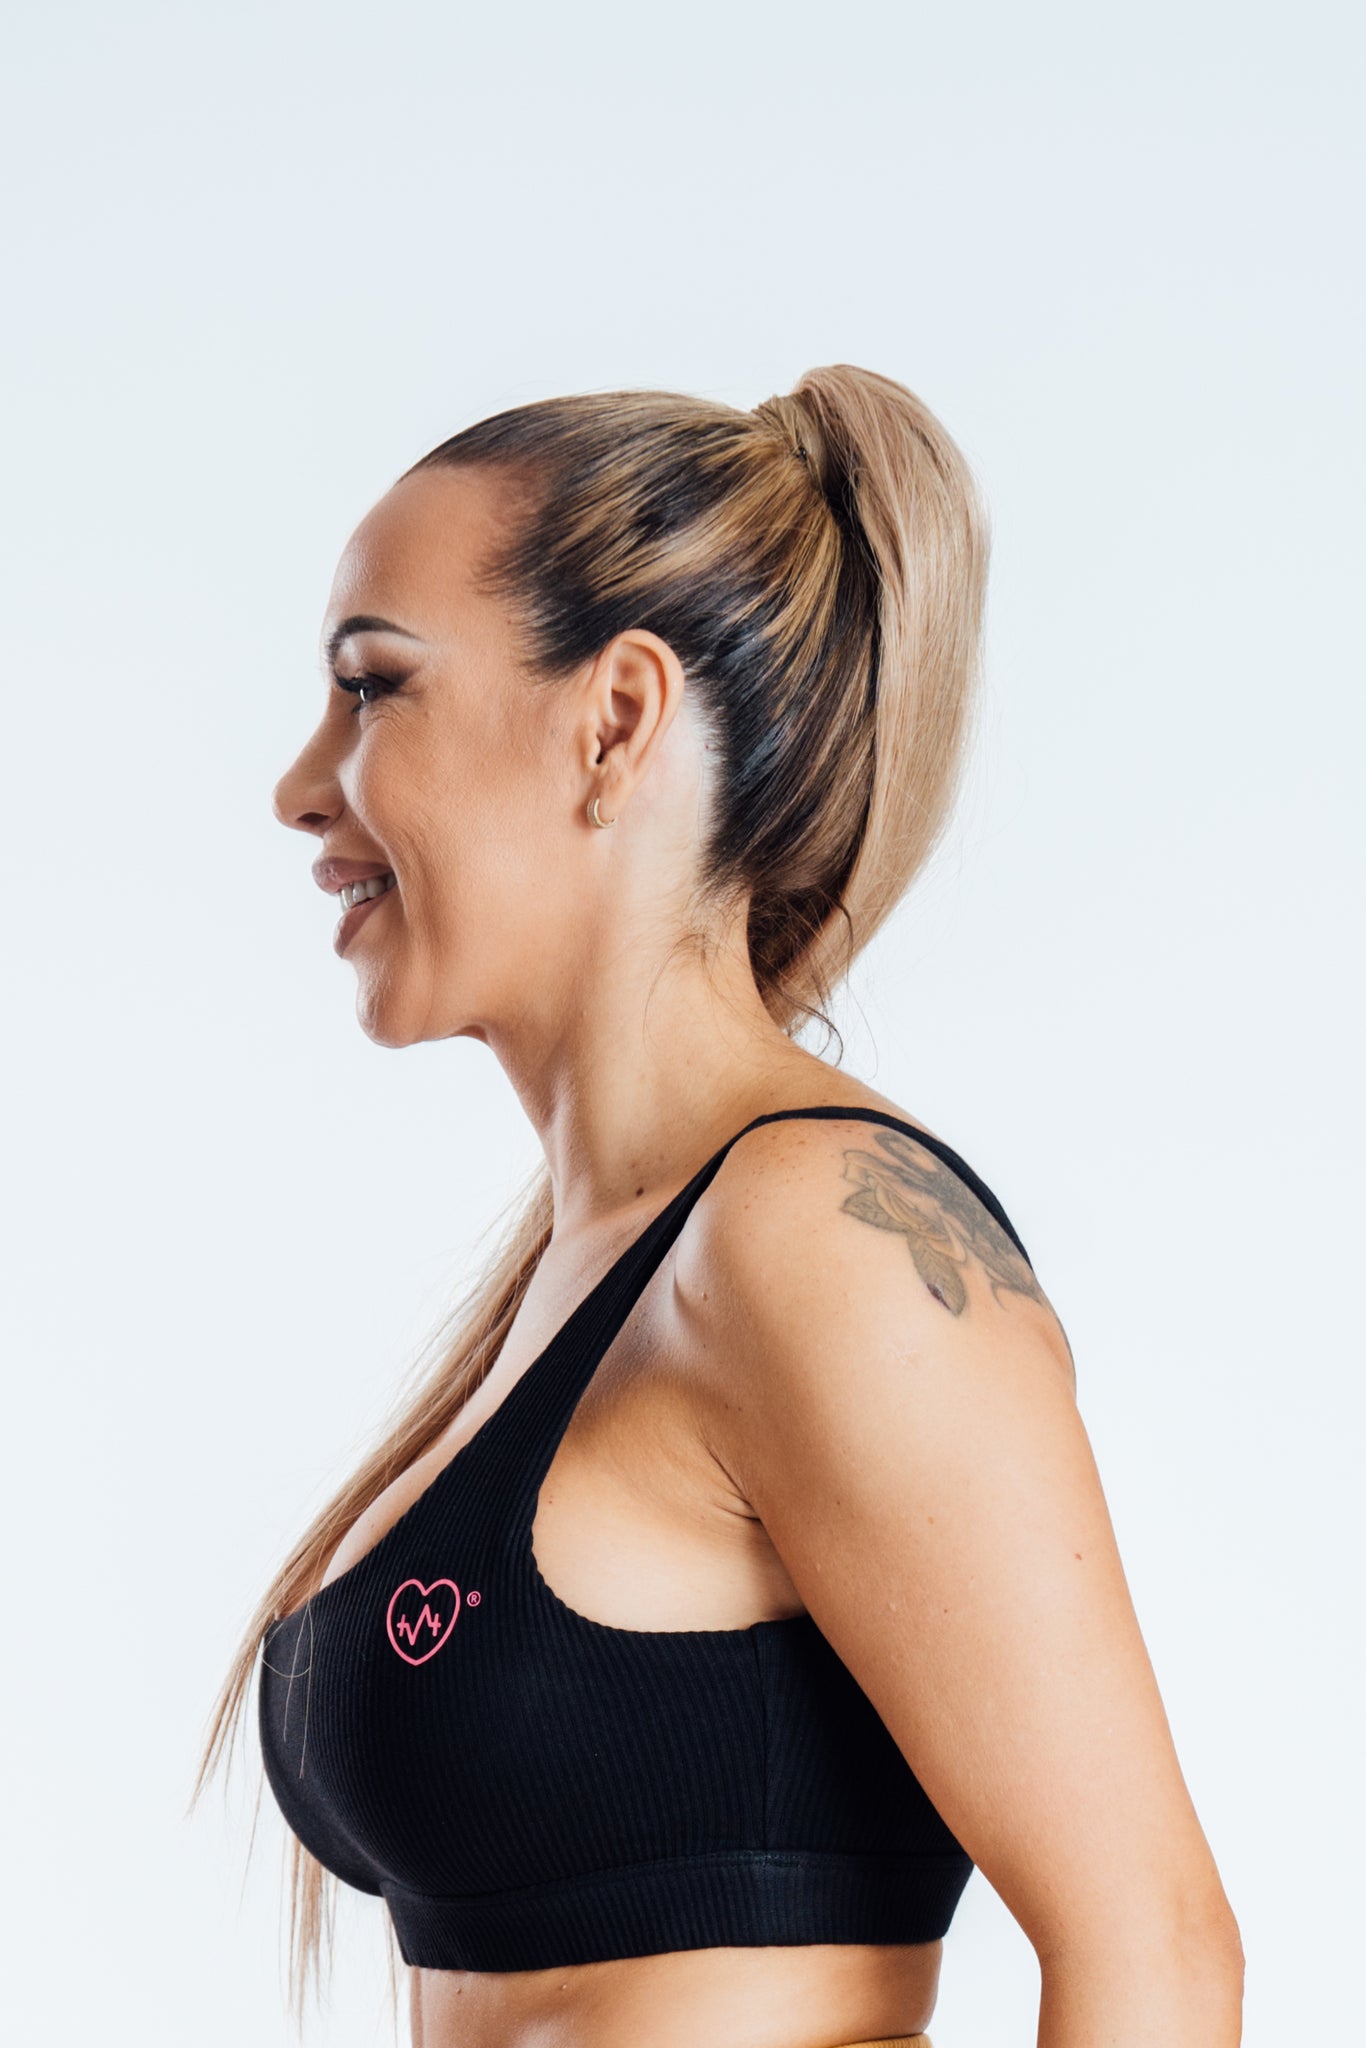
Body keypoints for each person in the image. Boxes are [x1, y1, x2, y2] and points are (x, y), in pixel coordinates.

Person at [189, 367, 1244, 2048]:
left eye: (372, 687)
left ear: (615, 722)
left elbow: (1156, 1956)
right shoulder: (591, 1267)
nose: (301, 787)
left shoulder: (818, 1237)